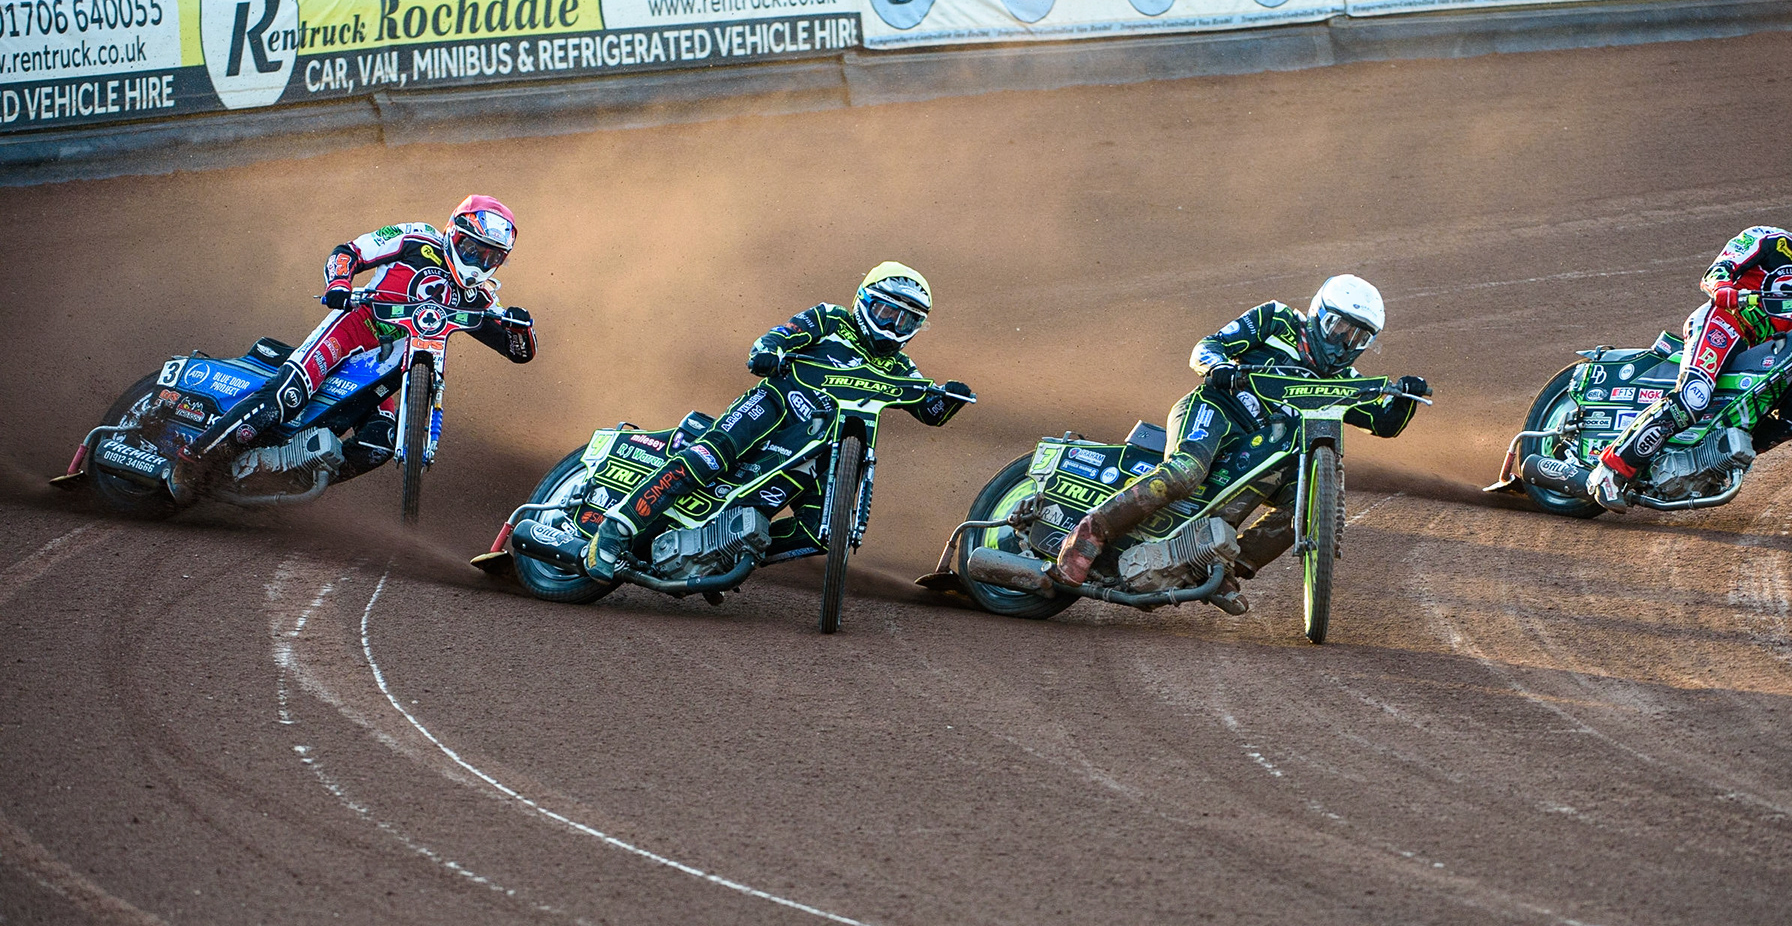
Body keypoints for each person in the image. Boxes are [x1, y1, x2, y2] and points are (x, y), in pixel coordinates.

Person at [1046, 274, 1427, 614]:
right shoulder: (1276, 319)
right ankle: (1091, 532)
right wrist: (1218, 367)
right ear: (1317, 313)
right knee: (1186, 472)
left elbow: (1383, 423)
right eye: (1339, 326)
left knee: (1306, 507)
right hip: (1216, 408)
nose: (1345, 342)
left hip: (1264, 452)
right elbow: (1207, 346)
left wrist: (1405, 398)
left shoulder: (1344, 381)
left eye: (1359, 336)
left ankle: (1222, 566)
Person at [582, 261, 972, 583]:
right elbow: (780, 335)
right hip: (774, 408)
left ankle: (720, 551)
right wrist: (770, 350)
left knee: (820, 532)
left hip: (825, 452)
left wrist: (949, 397)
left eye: (906, 321)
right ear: (864, 302)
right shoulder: (832, 319)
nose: (892, 325)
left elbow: (928, 408)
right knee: (708, 459)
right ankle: (613, 533)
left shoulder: (900, 367)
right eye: (887, 311)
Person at [1587, 185, 1792, 512]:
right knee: (1693, 396)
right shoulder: (1769, 240)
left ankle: (1716, 460)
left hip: (1768, 356)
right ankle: (1612, 469)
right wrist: (1723, 287)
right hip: (1726, 323)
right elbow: (1718, 270)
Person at [184, 195, 537, 480]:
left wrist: (520, 328)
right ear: (453, 232)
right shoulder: (416, 237)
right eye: (473, 248)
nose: (478, 260)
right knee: (287, 396)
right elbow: (349, 252)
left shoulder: (480, 295)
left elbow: (517, 351)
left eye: (491, 255)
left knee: (378, 445)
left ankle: (281, 483)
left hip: (383, 370)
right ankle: (194, 460)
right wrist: (339, 283)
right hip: (351, 329)